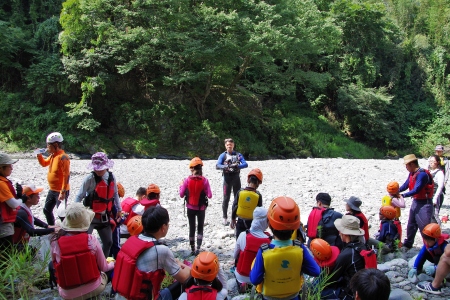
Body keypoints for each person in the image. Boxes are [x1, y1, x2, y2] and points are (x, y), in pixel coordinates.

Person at [112, 205, 191, 300]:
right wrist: (185, 266)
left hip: (120, 296)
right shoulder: (160, 250)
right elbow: (184, 277)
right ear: (163, 227)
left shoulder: (131, 240)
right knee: (191, 280)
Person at [250, 196, 320, 300]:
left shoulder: (264, 251)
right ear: (295, 226)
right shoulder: (299, 248)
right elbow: (316, 271)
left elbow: (255, 279)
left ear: (269, 224)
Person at [50, 203, 115, 300]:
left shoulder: (55, 242)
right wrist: (114, 263)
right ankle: (112, 294)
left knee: (51, 264)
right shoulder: (91, 239)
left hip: (68, 294)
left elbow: (55, 263)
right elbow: (104, 267)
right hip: (93, 289)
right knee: (113, 266)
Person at [75, 152, 121, 257]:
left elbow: (115, 194)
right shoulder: (89, 179)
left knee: (108, 242)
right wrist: (73, 212)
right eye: (96, 168)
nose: (98, 170)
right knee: (84, 243)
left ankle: (102, 266)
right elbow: (79, 196)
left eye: (100, 168)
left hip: (104, 217)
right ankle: (86, 263)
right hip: (90, 217)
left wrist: (119, 209)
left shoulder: (111, 177)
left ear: (106, 167)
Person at [321, 215, 367, 300]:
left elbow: (331, 280)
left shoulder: (347, 254)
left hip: (352, 293)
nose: (339, 232)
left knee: (319, 291)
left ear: (344, 233)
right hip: (364, 288)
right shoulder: (362, 246)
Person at [399, 154, 435, 250]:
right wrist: (396, 191)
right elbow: (406, 185)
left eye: (406, 165)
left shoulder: (422, 175)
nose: (406, 167)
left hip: (425, 204)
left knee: (424, 226)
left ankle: (430, 247)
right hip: (416, 201)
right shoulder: (412, 174)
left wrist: (402, 195)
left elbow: (417, 189)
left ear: (411, 164)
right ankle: (408, 243)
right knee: (411, 224)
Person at [35, 132, 70, 226]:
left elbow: (66, 175)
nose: (47, 147)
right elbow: (43, 163)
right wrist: (39, 155)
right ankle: (52, 228)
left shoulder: (63, 157)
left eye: (48, 145)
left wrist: (63, 192)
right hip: (52, 190)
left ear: (56, 145)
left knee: (61, 214)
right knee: (46, 210)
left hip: (61, 190)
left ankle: (68, 232)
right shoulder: (53, 155)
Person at [233, 207, 271, 293]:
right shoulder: (269, 239)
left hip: (242, 275)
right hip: (259, 278)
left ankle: (243, 284)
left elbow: (234, 255)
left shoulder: (243, 235)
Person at [180, 157, 212, 256]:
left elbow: (181, 194)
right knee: (200, 228)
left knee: (192, 228)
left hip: (190, 208)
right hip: (201, 208)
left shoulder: (187, 180)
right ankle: (198, 248)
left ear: (191, 169)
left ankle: (192, 249)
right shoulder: (205, 181)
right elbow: (210, 195)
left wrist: (181, 186)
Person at [13, 185, 58, 250]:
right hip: (14, 246)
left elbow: (32, 218)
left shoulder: (23, 207)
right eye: (37, 196)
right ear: (28, 198)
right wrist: (53, 230)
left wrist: (47, 226)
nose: (39, 198)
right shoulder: (21, 212)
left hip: (21, 242)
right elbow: (31, 232)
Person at [216, 138, 248, 226]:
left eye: (230, 145)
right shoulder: (223, 155)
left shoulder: (238, 155)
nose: (229, 147)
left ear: (233, 145)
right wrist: (226, 166)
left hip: (236, 178)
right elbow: (217, 165)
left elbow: (245, 164)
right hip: (227, 179)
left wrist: (238, 166)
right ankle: (225, 217)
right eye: (227, 145)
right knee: (226, 198)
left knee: (237, 198)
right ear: (225, 146)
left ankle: (236, 217)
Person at [230, 168, 263, 239]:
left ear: (248, 180)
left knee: (239, 240)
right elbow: (260, 211)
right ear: (258, 183)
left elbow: (235, 206)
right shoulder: (258, 195)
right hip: (252, 223)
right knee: (249, 241)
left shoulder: (240, 192)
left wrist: (233, 219)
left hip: (240, 221)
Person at [0, 153, 22, 251]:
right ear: (1, 168)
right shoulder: (1, 183)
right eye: (9, 166)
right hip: (3, 224)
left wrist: (18, 195)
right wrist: (22, 199)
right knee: (7, 253)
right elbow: (13, 204)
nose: (11, 168)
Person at [428, 154, 445, 223]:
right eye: (430, 161)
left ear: (437, 162)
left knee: (435, 214)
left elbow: (440, 186)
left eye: (433, 161)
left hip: (436, 196)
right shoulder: (429, 171)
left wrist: (435, 198)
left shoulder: (440, 173)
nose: (431, 162)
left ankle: (438, 230)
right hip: (429, 195)